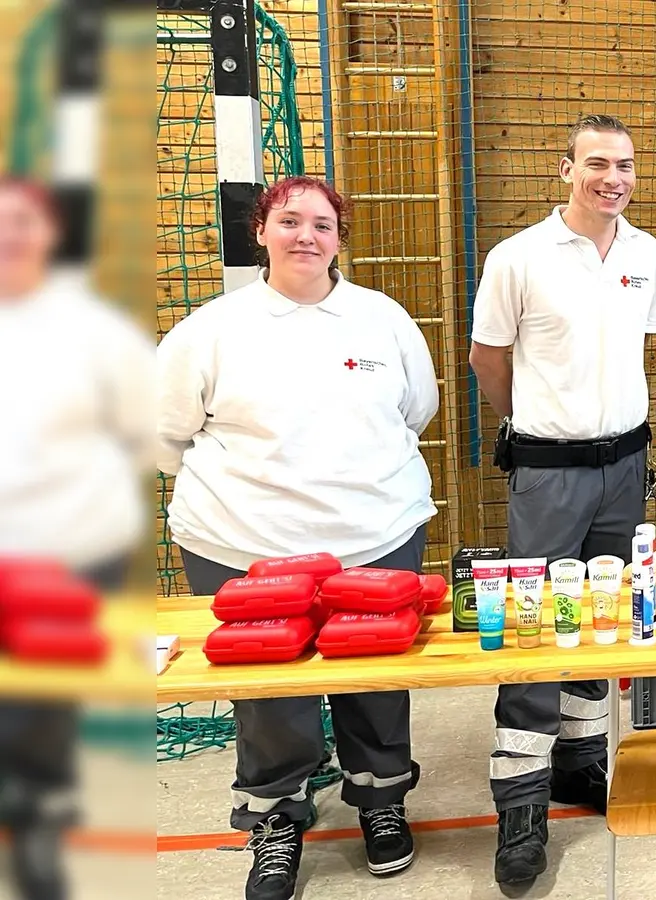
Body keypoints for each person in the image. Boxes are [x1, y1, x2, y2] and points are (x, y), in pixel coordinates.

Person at [156, 176, 437, 900]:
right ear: (261, 232)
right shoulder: (209, 330)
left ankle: (380, 801)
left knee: (374, 683)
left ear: (340, 237)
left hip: (373, 533)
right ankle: (277, 815)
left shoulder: (381, 320)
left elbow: (416, 410)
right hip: (242, 544)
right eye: (289, 221)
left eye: (321, 223)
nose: (305, 235)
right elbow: (165, 434)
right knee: (269, 690)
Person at [468, 113, 656, 891]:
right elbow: (488, 359)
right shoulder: (518, 258)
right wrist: (540, 431)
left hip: (627, 464)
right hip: (548, 470)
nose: (611, 177)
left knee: (602, 618)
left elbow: (633, 350)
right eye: (595, 163)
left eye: (623, 164)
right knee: (534, 631)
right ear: (565, 168)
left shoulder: (647, 253)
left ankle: (579, 762)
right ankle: (519, 801)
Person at [0, 176, 151, 900]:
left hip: (67, 545)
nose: (10, 234)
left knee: (46, 707)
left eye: (23, 220)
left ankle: (40, 828)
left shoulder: (94, 332)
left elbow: (143, 433)